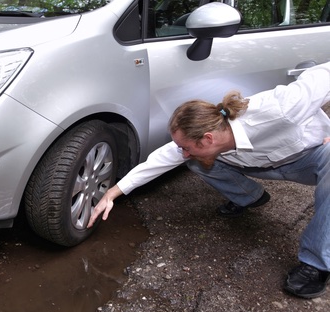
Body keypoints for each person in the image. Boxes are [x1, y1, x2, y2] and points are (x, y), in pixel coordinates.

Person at [88, 61, 330, 299]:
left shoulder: (281, 109)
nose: (181, 151)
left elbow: (324, 73)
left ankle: (316, 265)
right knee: (194, 160)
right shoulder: (205, 141)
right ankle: (249, 196)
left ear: (208, 138)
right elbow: (157, 161)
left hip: (309, 159)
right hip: (260, 165)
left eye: (185, 146)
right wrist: (112, 193)